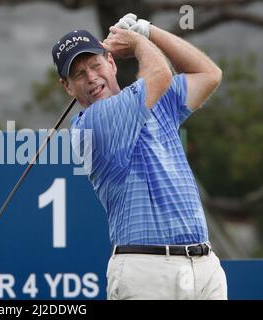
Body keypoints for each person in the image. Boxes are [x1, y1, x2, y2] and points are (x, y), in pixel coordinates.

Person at [52, 14, 227, 299]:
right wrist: (137, 40)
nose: (92, 78)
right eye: (78, 74)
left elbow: (208, 74)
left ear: (110, 62)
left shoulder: (157, 102)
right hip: (146, 269)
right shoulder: (94, 122)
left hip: (203, 265)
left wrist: (148, 29)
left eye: (95, 65)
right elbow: (160, 74)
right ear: (67, 86)